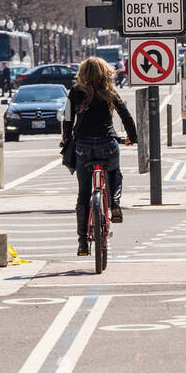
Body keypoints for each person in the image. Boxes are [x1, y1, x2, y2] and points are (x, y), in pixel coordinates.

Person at [61, 56, 136, 257]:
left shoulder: (75, 92)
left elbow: (67, 118)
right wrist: (132, 137)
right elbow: (125, 114)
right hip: (107, 143)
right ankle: (115, 204)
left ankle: (82, 243)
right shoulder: (109, 91)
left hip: (83, 146)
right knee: (114, 172)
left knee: (83, 192)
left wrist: (66, 138)